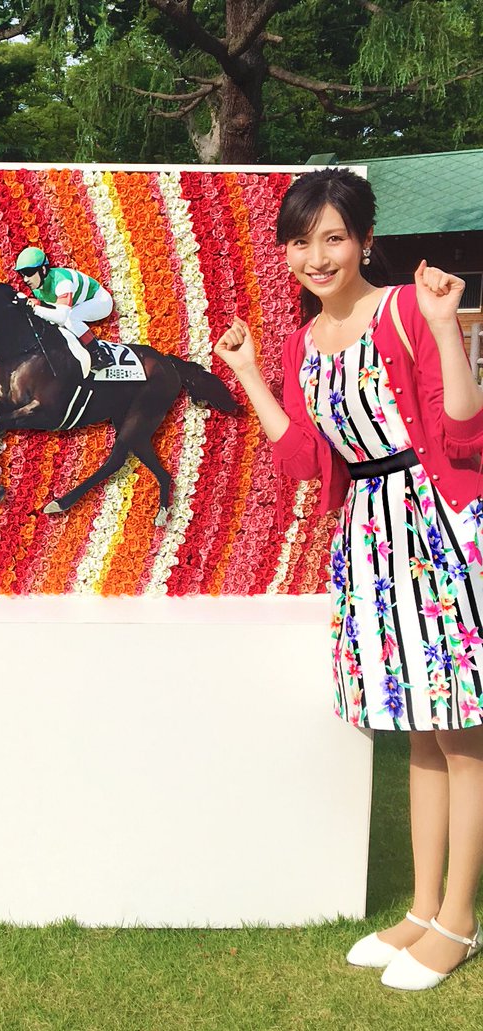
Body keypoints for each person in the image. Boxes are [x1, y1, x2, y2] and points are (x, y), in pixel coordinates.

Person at [214, 167, 483, 991]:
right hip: (371, 536)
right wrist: (250, 372)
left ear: (365, 240)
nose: (317, 255)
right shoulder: (303, 343)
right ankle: (423, 909)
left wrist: (445, 327)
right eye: (300, 241)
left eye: (333, 237)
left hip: (438, 528)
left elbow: (464, 430)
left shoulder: (406, 308)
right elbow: (306, 460)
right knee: (421, 729)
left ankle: (459, 920)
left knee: (463, 733)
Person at [14, 246, 116, 375]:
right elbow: (51, 310)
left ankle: (100, 354)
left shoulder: (62, 282)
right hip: (78, 304)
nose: (25, 279)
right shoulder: (38, 288)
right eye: (22, 274)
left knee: (70, 318)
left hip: (100, 301)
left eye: (29, 273)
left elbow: (61, 317)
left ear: (43, 270)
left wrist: (34, 308)